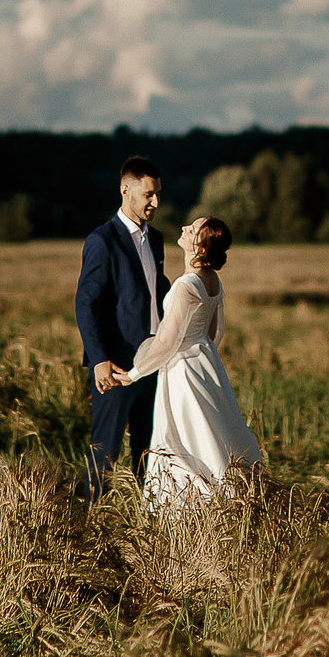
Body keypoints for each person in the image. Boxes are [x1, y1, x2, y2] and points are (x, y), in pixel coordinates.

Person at [122, 216, 264, 511]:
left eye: (192, 229)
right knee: (210, 428)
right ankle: (228, 495)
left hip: (183, 370)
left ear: (200, 245)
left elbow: (166, 341)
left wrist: (133, 373)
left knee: (186, 435)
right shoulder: (212, 279)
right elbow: (212, 333)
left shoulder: (187, 284)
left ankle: (192, 505)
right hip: (205, 362)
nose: (185, 228)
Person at [75, 156, 167, 496]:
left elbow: (155, 292)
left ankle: (143, 523)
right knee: (105, 453)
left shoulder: (155, 239)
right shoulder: (102, 240)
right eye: (148, 195)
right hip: (115, 366)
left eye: (157, 193)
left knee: (149, 451)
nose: (155, 202)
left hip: (154, 363)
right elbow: (86, 304)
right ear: (125, 190)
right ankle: (90, 521)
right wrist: (99, 359)